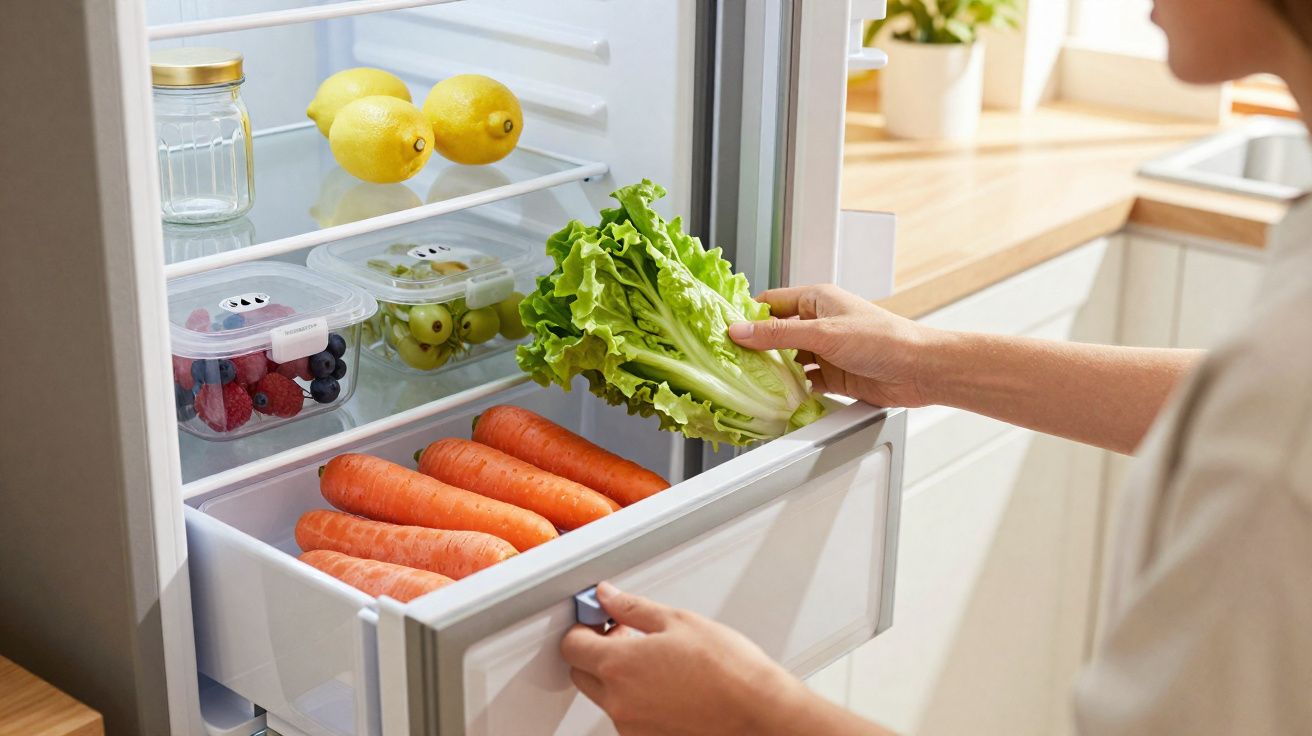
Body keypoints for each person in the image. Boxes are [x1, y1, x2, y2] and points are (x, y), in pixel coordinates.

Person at [560, 0, 1312, 733]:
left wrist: (756, 715)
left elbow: (1269, 412)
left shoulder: (1277, 441)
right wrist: (924, 362)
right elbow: (1228, 402)